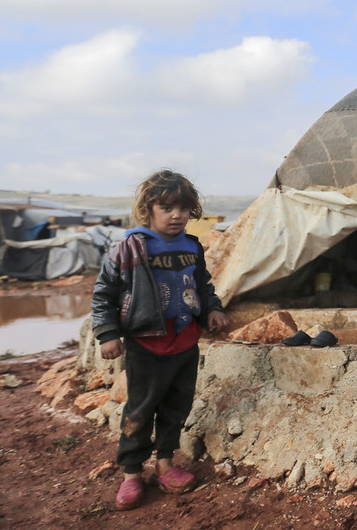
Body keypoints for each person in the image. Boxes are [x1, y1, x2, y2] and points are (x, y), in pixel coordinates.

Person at [91, 169, 229, 510]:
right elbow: (103, 293)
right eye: (167, 207)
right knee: (140, 410)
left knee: (176, 406)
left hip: (184, 341)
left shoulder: (191, 247)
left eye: (183, 208)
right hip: (146, 344)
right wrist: (107, 333)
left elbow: (202, 286)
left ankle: (166, 464)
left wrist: (212, 309)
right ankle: (132, 473)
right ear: (148, 209)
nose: (177, 215)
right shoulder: (130, 248)